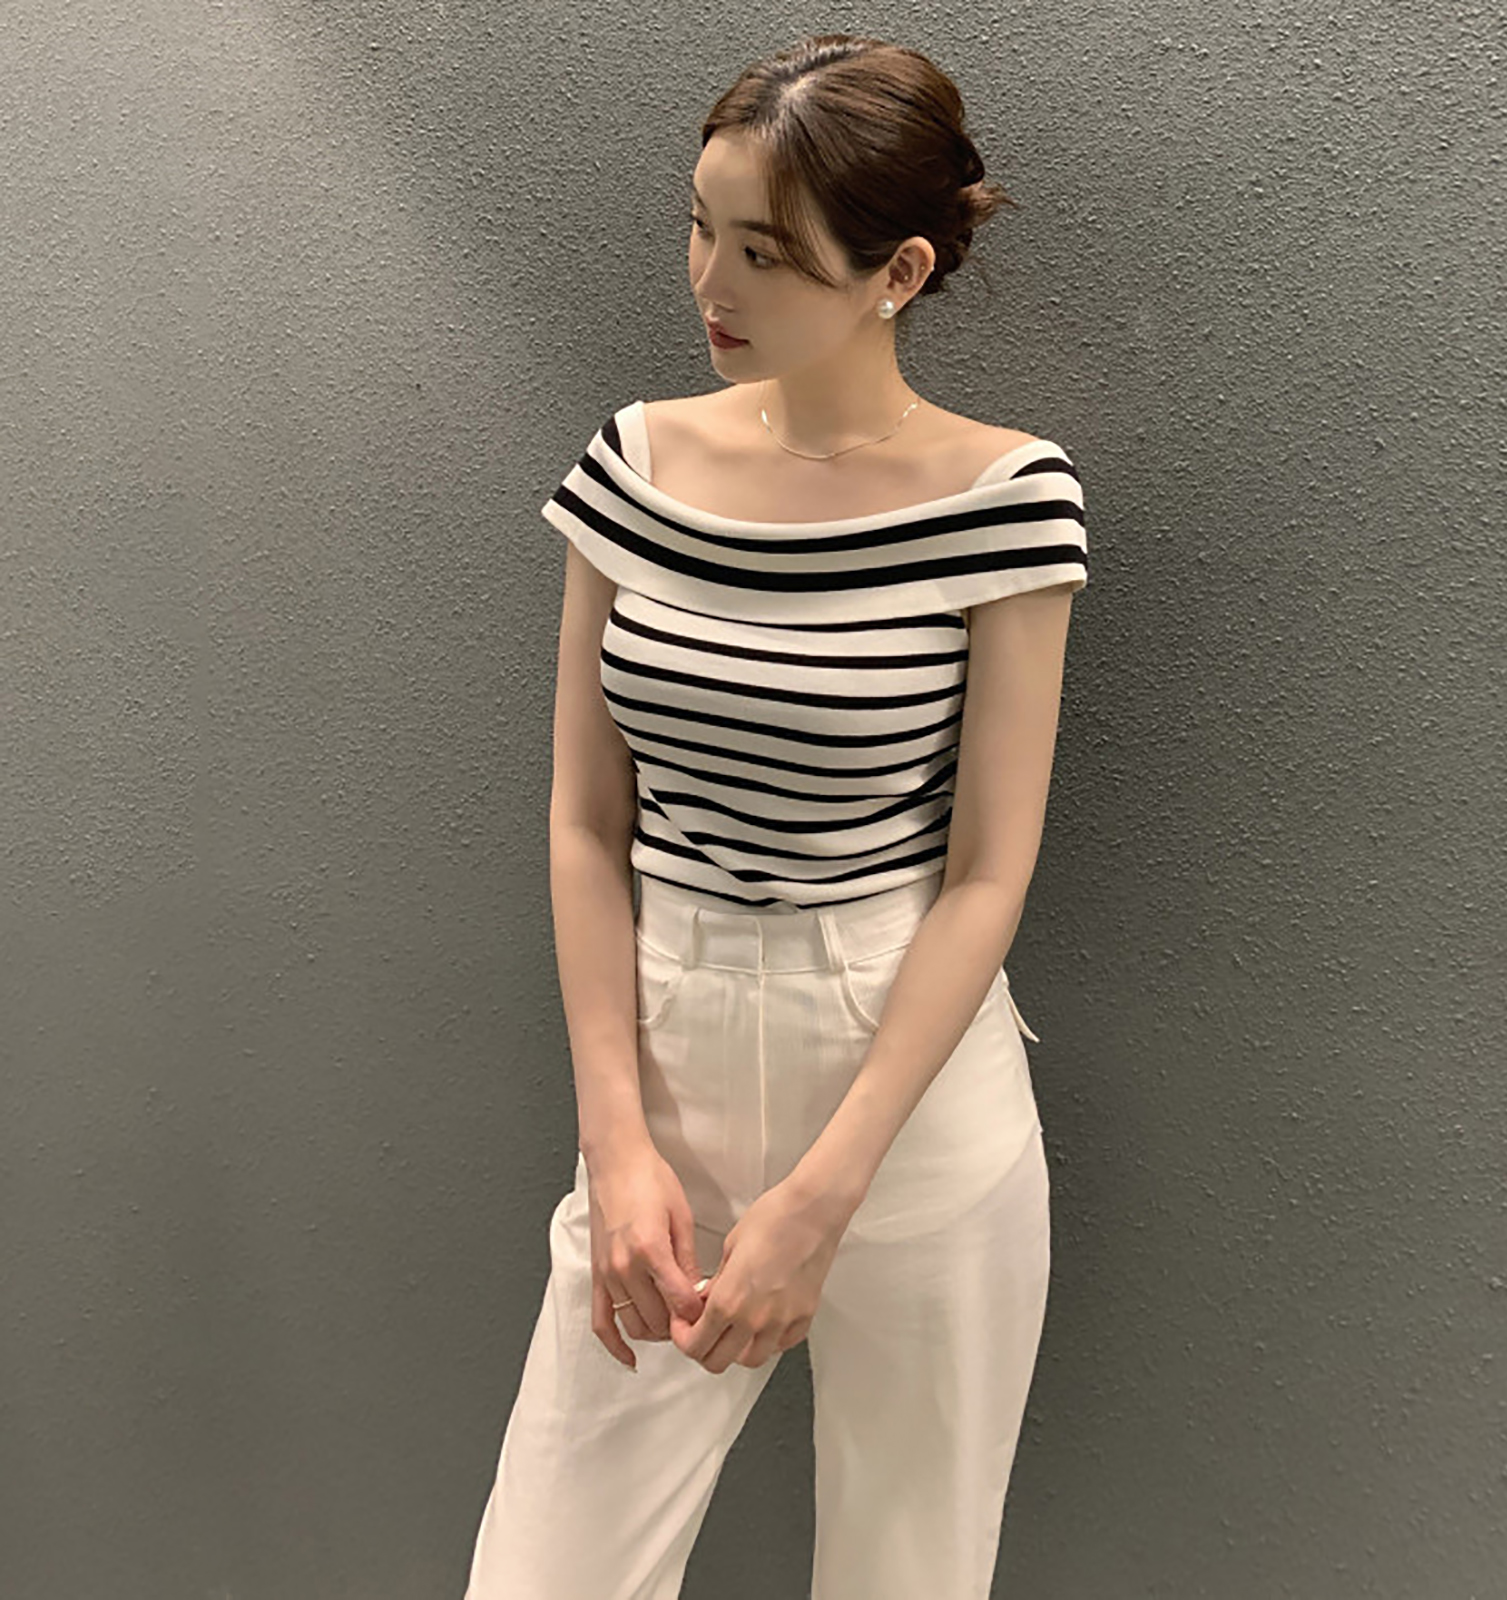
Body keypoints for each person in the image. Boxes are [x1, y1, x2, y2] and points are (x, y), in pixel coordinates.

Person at [463, 30, 1088, 1600]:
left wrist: (825, 1193)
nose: (711, 282)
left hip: (906, 1082)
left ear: (898, 272)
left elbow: (988, 871)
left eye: (766, 253)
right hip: (666, 1057)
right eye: (700, 227)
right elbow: (584, 819)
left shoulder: (1008, 498)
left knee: (908, 1573)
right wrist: (616, 1139)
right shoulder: (636, 463)